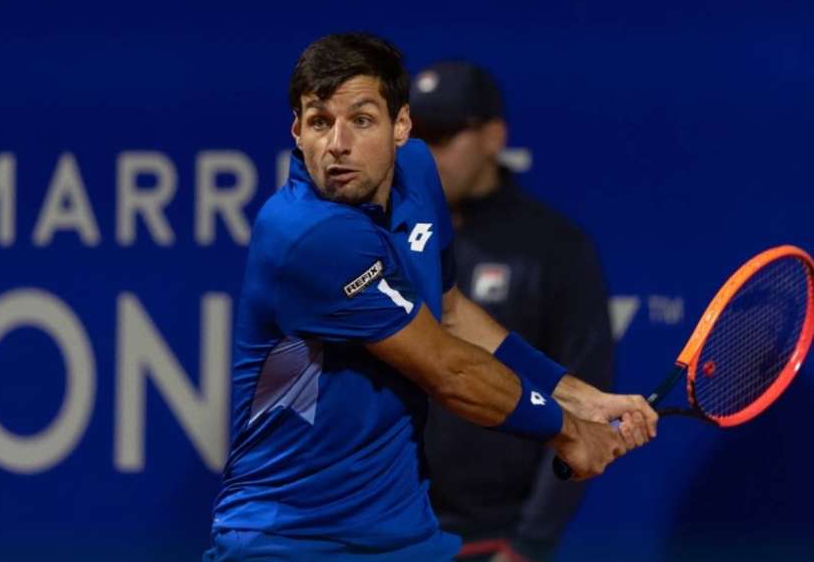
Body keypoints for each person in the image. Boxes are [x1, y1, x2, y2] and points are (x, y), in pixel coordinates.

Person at [206, 33, 656, 562]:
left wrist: (579, 396)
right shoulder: (308, 234)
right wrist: (567, 432)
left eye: (363, 120)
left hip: (402, 536)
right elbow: (448, 371)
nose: (338, 144)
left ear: (401, 127)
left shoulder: (418, 173)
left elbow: (451, 313)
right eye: (320, 121)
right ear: (297, 131)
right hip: (292, 541)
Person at [410, 61, 616, 561]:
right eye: (418, 137)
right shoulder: (388, 236)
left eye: (445, 135)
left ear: (492, 137)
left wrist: (528, 546)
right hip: (391, 533)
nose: (427, 155)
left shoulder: (555, 247)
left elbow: (579, 391)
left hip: (492, 538)